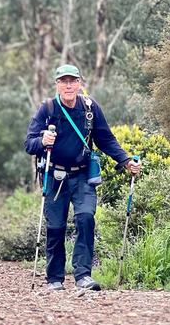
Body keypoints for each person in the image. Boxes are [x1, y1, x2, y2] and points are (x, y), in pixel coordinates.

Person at [25, 64, 140, 291]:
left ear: (79, 83)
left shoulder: (90, 108)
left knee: (85, 218)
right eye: (63, 81)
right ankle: (55, 279)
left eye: (72, 81)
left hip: (82, 176)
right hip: (54, 177)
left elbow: (105, 139)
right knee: (56, 227)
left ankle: (83, 277)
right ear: (57, 84)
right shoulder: (47, 109)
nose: (68, 85)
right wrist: (42, 142)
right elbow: (29, 144)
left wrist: (126, 161)